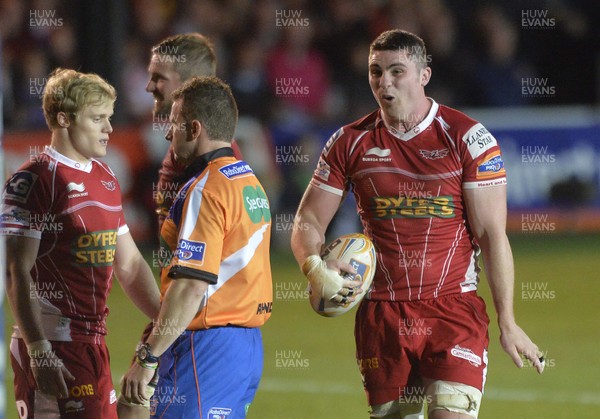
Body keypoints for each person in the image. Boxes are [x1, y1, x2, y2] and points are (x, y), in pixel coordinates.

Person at [290, 29, 544, 419]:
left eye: (396, 71)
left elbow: (492, 236)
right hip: (383, 313)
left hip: (453, 311)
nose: (384, 82)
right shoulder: (349, 142)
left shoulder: (467, 138)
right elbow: (308, 219)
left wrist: (507, 321)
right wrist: (313, 267)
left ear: (424, 75)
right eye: (376, 71)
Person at [1, 68, 161, 418]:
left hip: (91, 342)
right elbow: (17, 272)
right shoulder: (35, 179)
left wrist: (167, 324)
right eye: (98, 119)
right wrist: (39, 350)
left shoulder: (105, 177)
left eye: (110, 118)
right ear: (64, 119)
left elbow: (130, 265)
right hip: (54, 345)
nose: (109, 129)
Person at [120, 76, 273, 417]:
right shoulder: (250, 183)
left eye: (173, 125)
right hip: (245, 348)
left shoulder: (207, 189)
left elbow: (190, 285)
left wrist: (149, 355)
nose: (166, 134)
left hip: (205, 347)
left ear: (194, 128)